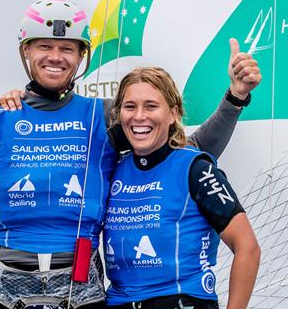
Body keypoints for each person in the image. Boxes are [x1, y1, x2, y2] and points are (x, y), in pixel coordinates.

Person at [0, 0, 260, 309]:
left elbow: (186, 151)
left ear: (81, 56)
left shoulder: (106, 116)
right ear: (26, 51)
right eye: (45, 46)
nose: (56, 56)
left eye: (67, 48)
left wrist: (234, 98)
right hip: (3, 289)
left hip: (81, 291)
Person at [103, 67, 260, 309]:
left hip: (182, 301)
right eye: (130, 106)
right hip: (118, 302)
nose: (139, 116)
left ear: (173, 113)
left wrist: (236, 97)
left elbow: (247, 248)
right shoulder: (112, 168)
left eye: (151, 106)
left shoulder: (195, 166)